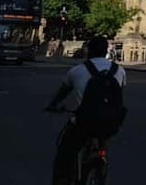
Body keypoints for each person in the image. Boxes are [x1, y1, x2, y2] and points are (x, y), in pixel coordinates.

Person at [45, 35, 126, 185]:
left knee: (64, 155)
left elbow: (62, 93)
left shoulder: (77, 70)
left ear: (89, 50)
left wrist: (52, 105)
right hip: (111, 122)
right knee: (102, 136)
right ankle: (101, 162)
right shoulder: (119, 70)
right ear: (105, 51)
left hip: (85, 122)